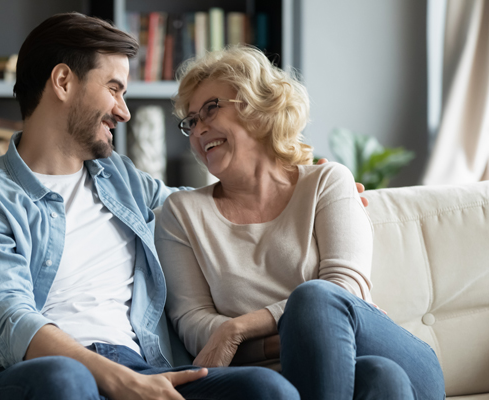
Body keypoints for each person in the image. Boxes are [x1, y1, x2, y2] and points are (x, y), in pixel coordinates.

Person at [0, 13, 300, 400]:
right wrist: (119, 380)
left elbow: (206, 206)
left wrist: (297, 184)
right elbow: (11, 324)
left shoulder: (120, 178)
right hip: (22, 375)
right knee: (67, 380)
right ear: (63, 82)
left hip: (141, 366)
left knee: (265, 389)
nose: (123, 111)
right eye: (114, 88)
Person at [155, 45, 446, 400]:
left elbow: (345, 287)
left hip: (392, 353)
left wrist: (238, 329)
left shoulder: (327, 182)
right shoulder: (181, 214)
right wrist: (301, 337)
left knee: (317, 299)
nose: (199, 128)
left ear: (259, 108)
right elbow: (196, 326)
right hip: (297, 379)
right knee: (379, 378)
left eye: (211, 109)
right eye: (191, 121)